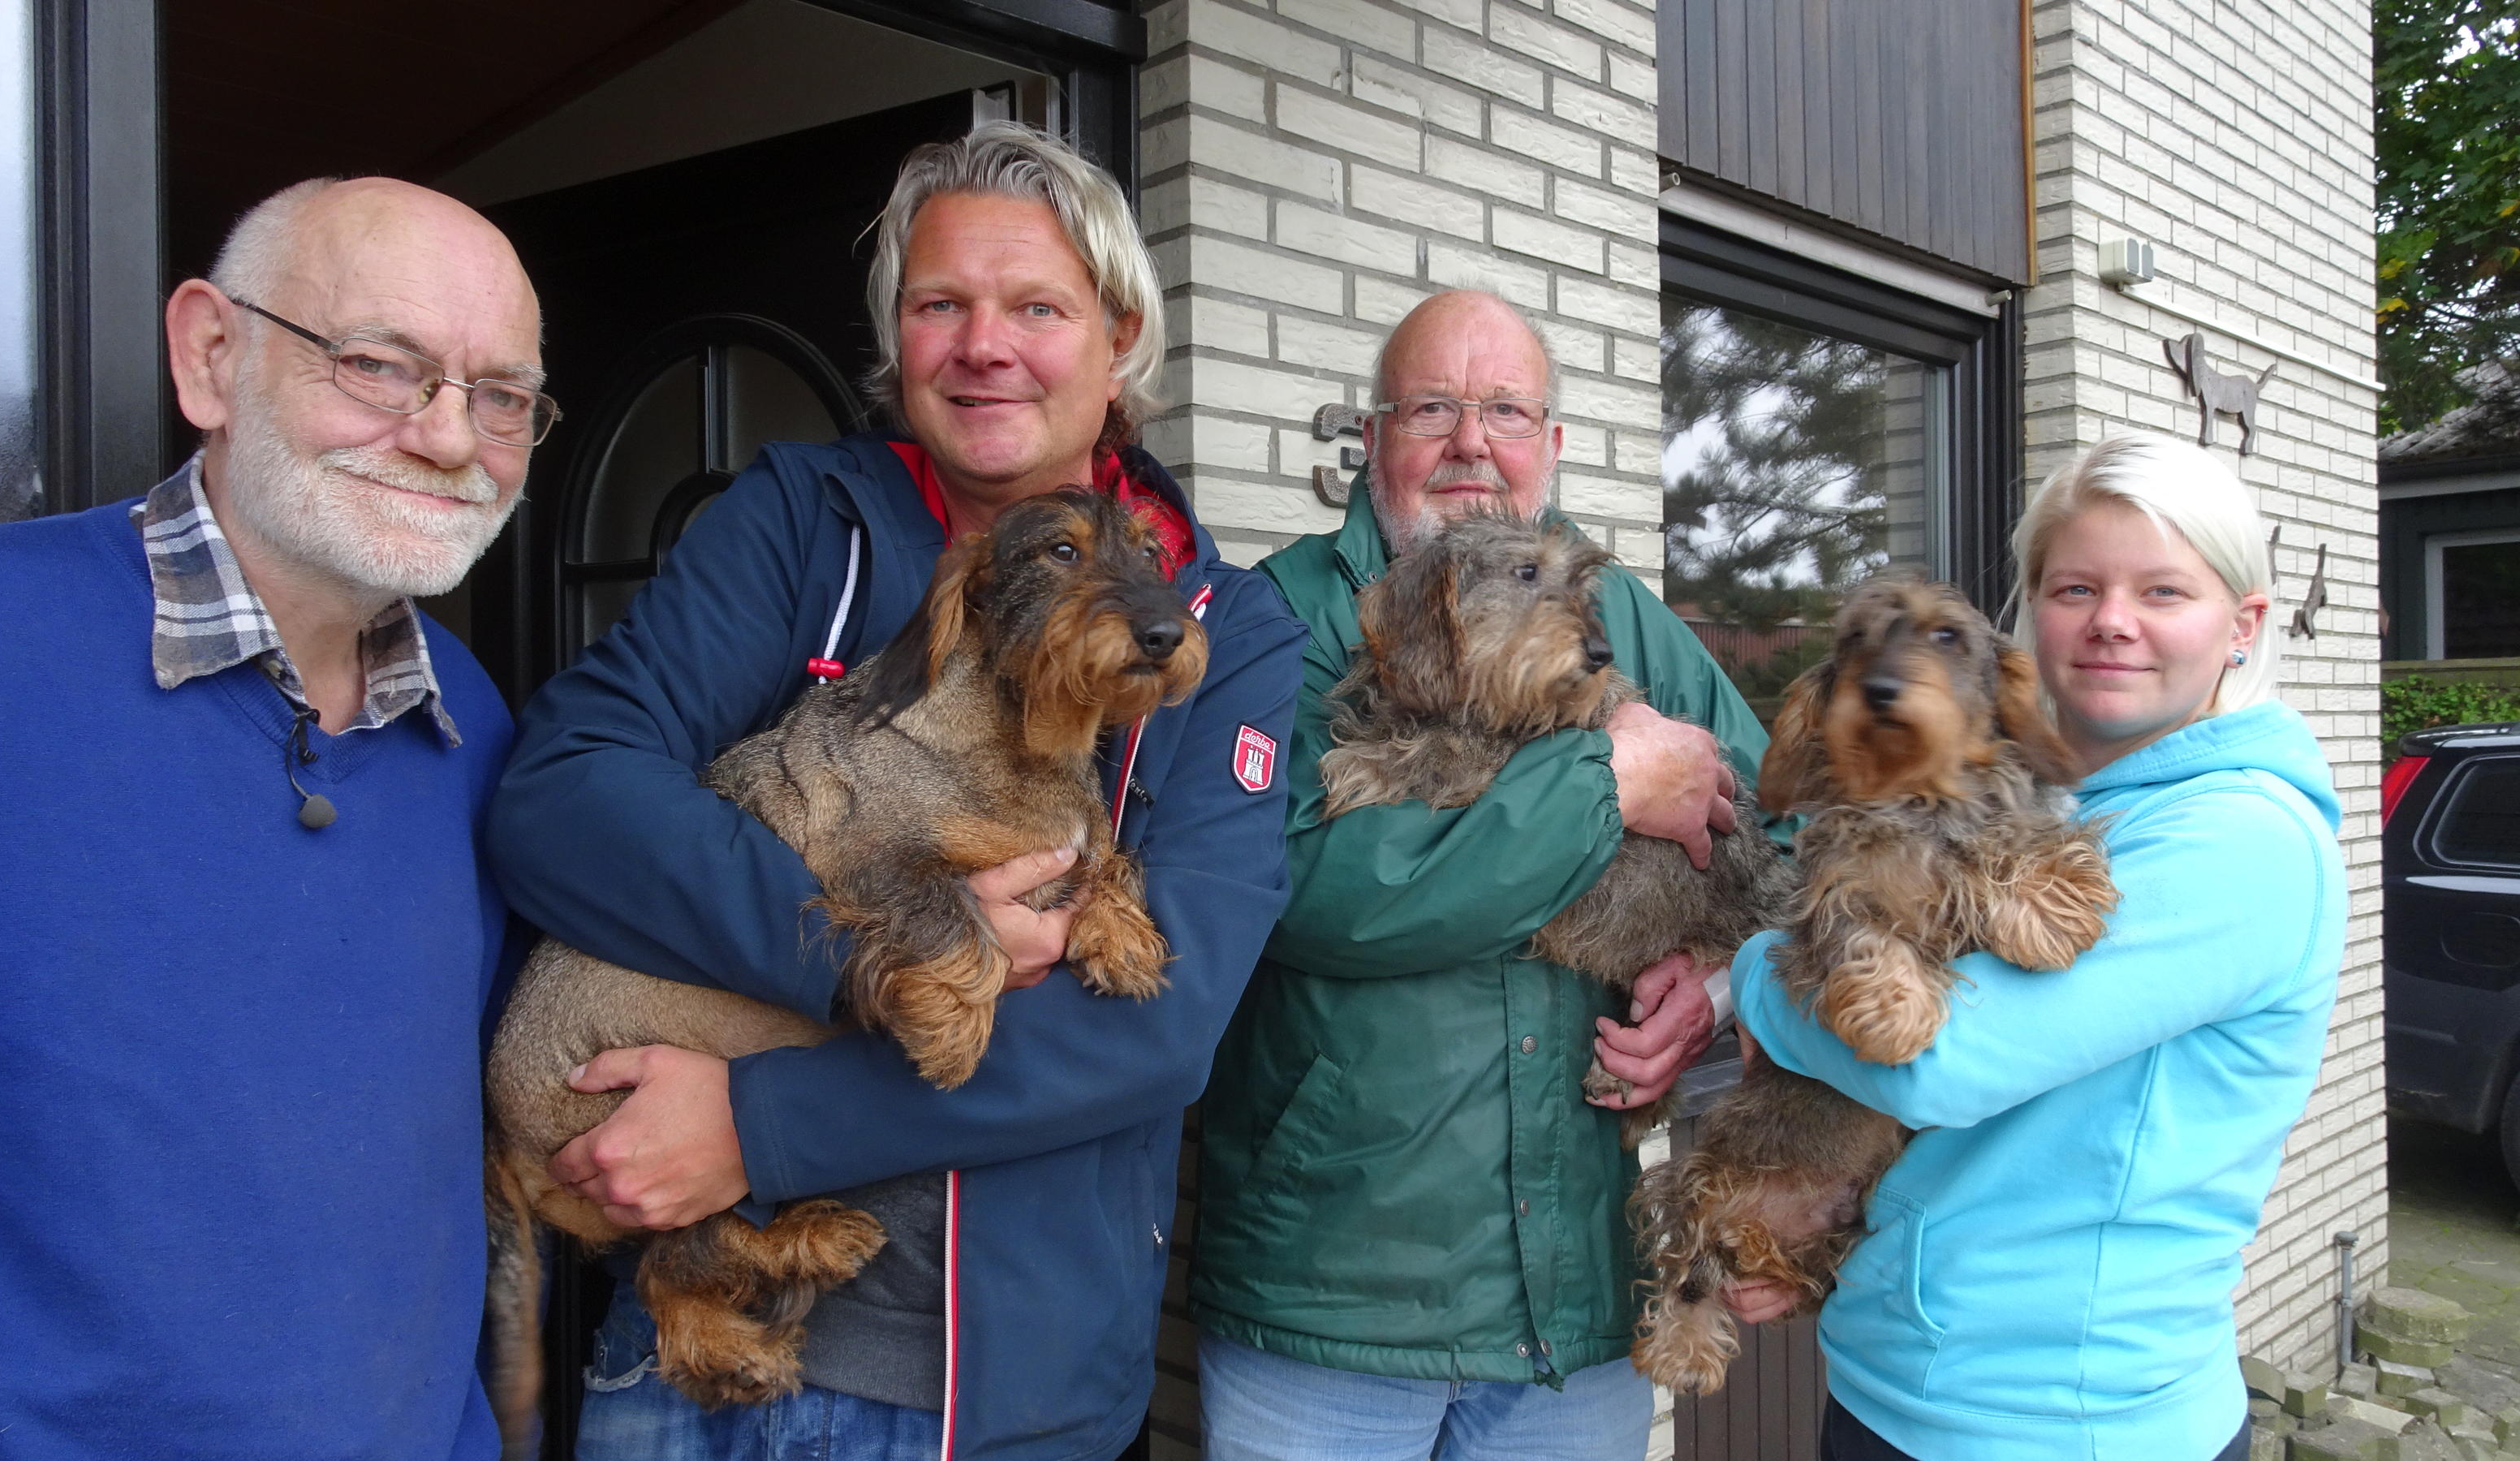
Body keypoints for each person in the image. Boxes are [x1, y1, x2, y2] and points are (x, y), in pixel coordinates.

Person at [480, 123, 1304, 1461]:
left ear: (1122, 337)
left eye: (1037, 306)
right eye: (941, 306)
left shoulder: (1224, 625)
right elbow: (563, 796)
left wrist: (761, 1128)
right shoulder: (803, 521)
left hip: (1008, 1398)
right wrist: (864, 960)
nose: (984, 346)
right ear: (898, 340)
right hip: (693, 1354)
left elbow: (1162, 1026)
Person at [0, 177, 549, 1457]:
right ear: (212, 355)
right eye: (382, 366)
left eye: (502, 398)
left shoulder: (473, 723)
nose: (449, 438)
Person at [1187, 288, 1765, 1459]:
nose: (1471, 442)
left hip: (1572, 1308)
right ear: (1373, 438)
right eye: (1433, 407)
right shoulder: (1276, 618)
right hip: (1329, 1308)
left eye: (1507, 410)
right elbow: (1318, 885)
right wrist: (1609, 784)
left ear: (1550, 447)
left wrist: (1716, 986)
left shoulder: (1626, 623)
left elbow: (1784, 837)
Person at [1722, 431, 2344, 1461]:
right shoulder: (2041, 813)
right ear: (2027, 624)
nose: (2109, 623)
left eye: (2161, 592)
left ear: (2241, 627)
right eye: (2072, 589)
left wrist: (1752, 980)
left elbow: (1932, 1064)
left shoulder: (2238, 840)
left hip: (2060, 1423)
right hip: (1905, 1387)